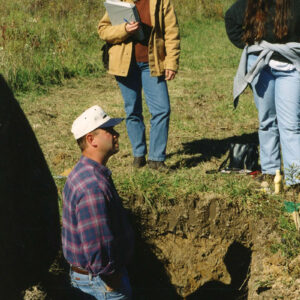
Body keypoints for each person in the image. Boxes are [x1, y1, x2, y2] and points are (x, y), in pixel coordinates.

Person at [62, 105, 134, 299]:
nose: (116, 134)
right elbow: (98, 247)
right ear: (91, 139)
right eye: (108, 130)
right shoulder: (92, 187)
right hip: (102, 283)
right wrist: (114, 279)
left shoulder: (83, 172)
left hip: (92, 279)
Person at [225, 0, 300, 186]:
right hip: (261, 66)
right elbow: (231, 18)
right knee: (267, 121)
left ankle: (295, 180)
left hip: (291, 67)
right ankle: (269, 171)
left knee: (290, 125)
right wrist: (249, 45)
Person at [98, 0, 180, 170]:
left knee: (162, 109)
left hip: (153, 63)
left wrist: (171, 63)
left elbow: (171, 33)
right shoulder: (120, 2)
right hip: (125, 65)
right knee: (132, 111)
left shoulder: (162, 2)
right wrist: (124, 30)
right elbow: (103, 30)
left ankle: (156, 159)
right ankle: (139, 155)